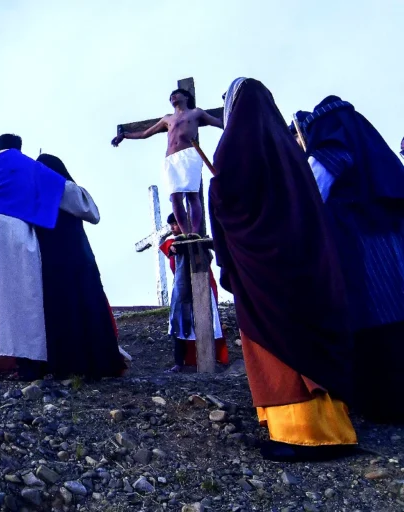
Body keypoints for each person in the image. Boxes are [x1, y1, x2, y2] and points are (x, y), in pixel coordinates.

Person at [210, 77, 357, 462]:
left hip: (263, 268)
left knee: (275, 341)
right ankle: (334, 429)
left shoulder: (237, 146)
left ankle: (299, 434)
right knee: (306, 338)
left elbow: (230, 201)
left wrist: (217, 195)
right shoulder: (290, 152)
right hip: (303, 264)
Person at [291, 97, 404, 423]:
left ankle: (381, 404)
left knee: (369, 323)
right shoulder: (372, 152)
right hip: (390, 249)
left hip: (360, 253)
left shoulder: (332, 151)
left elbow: (310, 195)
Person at [0, 138, 100, 380]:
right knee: (24, 299)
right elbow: (73, 198)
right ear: (20, 148)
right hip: (17, 228)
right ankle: (27, 365)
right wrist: (90, 209)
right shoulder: (30, 166)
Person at [34, 153, 126, 379]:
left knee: (61, 308)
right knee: (84, 305)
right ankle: (95, 363)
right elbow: (92, 213)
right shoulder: (65, 187)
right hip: (74, 255)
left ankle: (64, 365)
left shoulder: (37, 192)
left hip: (53, 259)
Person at [112, 89, 223, 236]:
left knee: (192, 195)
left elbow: (219, 122)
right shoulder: (167, 119)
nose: (173, 97)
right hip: (171, 159)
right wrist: (125, 135)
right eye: (171, 96)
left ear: (186, 97)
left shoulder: (196, 113)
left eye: (177, 94)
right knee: (175, 197)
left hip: (189, 154)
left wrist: (236, 116)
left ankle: (195, 232)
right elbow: (145, 133)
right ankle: (185, 233)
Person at [159, 213, 228, 371]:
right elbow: (169, 246)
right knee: (179, 322)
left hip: (203, 288)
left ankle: (211, 358)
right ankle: (179, 362)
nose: (172, 228)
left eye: (175, 224)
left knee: (207, 322)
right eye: (171, 225)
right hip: (182, 290)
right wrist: (173, 247)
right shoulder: (173, 241)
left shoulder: (199, 241)